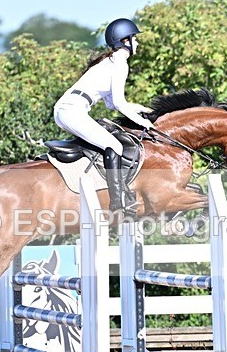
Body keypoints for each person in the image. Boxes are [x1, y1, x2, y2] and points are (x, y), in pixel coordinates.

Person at [53, 17, 155, 213]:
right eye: (135, 38)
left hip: (67, 109)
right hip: (72, 110)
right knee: (114, 145)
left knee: (106, 142)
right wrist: (143, 123)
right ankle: (118, 201)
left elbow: (111, 103)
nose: (138, 42)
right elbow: (118, 103)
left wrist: (142, 109)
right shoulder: (120, 63)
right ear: (125, 40)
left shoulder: (111, 61)